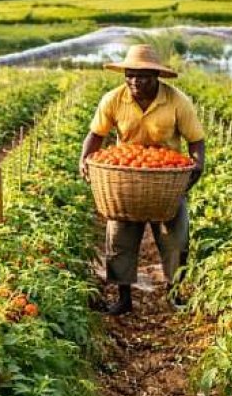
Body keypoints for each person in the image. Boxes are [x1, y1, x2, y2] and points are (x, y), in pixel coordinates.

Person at [78, 45, 206, 315]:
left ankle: (174, 295)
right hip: (125, 179)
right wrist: (84, 158)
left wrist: (197, 164)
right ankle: (123, 298)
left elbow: (196, 140)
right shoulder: (113, 99)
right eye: (131, 75)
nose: (136, 81)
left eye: (143, 76)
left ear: (156, 76)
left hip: (167, 180)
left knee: (175, 239)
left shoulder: (176, 101)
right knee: (119, 238)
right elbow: (95, 134)